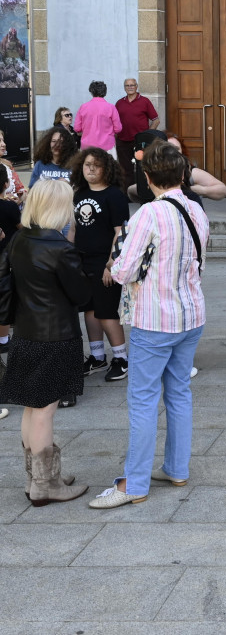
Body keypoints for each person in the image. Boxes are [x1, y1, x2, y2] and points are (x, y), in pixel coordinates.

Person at [89, 141, 209, 508]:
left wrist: (117, 264)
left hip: (155, 318)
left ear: (148, 177)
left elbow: (124, 270)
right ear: (183, 174)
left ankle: (135, 483)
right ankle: (176, 467)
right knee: (178, 392)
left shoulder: (148, 214)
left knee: (142, 400)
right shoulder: (196, 210)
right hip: (191, 314)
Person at [0, 179, 90, 505]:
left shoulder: (20, 239)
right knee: (44, 411)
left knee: (31, 407)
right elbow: (80, 295)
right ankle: (44, 485)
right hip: (55, 336)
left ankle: (38, 477)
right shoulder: (60, 248)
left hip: (24, 333)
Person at [71, 148, 130, 384]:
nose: (91, 169)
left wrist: (111, 263)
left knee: (107, 313)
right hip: (82, 261)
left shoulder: (114, 196)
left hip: (104, 261)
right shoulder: (79, 194)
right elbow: (74, 228)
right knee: (90, 311)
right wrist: (67, 256)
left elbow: (120, 232)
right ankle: (97, 356)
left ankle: (121, 358)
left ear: (107, 168)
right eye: (87, 165)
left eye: (96, 165)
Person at [114, 78, 159, 190]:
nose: (130, 87)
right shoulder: (119, 103)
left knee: (143, 167)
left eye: (132, 85)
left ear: (136, 86)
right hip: (123, 140)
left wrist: (148, 134)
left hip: (140, 142)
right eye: (127, 85)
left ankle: (143, 192)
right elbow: (114, 122)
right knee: (125, 169)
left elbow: (156, 120)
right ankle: (128, 193)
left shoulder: (145, 101)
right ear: (124, 87)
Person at [0, 164, 20, 354]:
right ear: (6, 184)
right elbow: (21, 226)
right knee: (4, 299)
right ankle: (4, 339)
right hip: (6, 260)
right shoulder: (9, 206)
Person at [74, 81, 122, 156]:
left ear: (91, 92)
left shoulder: (83, 107)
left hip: (87, 146)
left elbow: (77, 128)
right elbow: (118, 128)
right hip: (107, 145)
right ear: (105, 92)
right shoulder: (111, 107)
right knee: (108, 167)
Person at [0, 129, 26, 203]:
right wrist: (3, 198)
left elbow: (20, 188)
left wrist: (20, 198)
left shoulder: (7, 164)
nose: (3, 144)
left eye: (3, 140)